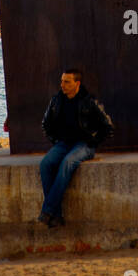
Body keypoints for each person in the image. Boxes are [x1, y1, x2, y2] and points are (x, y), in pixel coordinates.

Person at [38, 68, 114, 227]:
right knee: (46, 164)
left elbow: (108, 127)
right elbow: (46, 124)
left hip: (84, 144)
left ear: (77, 83)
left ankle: (48, 210)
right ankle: (56, 215)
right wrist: (55, 141)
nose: (62, 85)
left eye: (67, 82)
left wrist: (93, 142)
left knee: (67, 163)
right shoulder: (56, 100)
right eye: (62, 81)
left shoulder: (89, 101)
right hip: (63, 143)